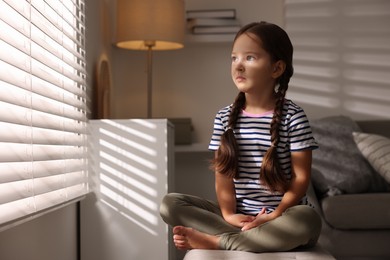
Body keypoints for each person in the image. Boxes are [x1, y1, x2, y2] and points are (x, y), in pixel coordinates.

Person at [160, 21, 321, 253]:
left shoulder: (293, 116)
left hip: (284, 217)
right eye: (234, 58)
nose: (238, 66)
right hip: (238, 218)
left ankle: (219, 242)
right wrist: (229, 214)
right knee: (170, 204)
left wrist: (274, 216)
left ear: (276, 69)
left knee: (307, 219)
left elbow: (301, 179)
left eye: (250, 58)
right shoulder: (224, 117)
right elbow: (223, 177)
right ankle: (250, 237)